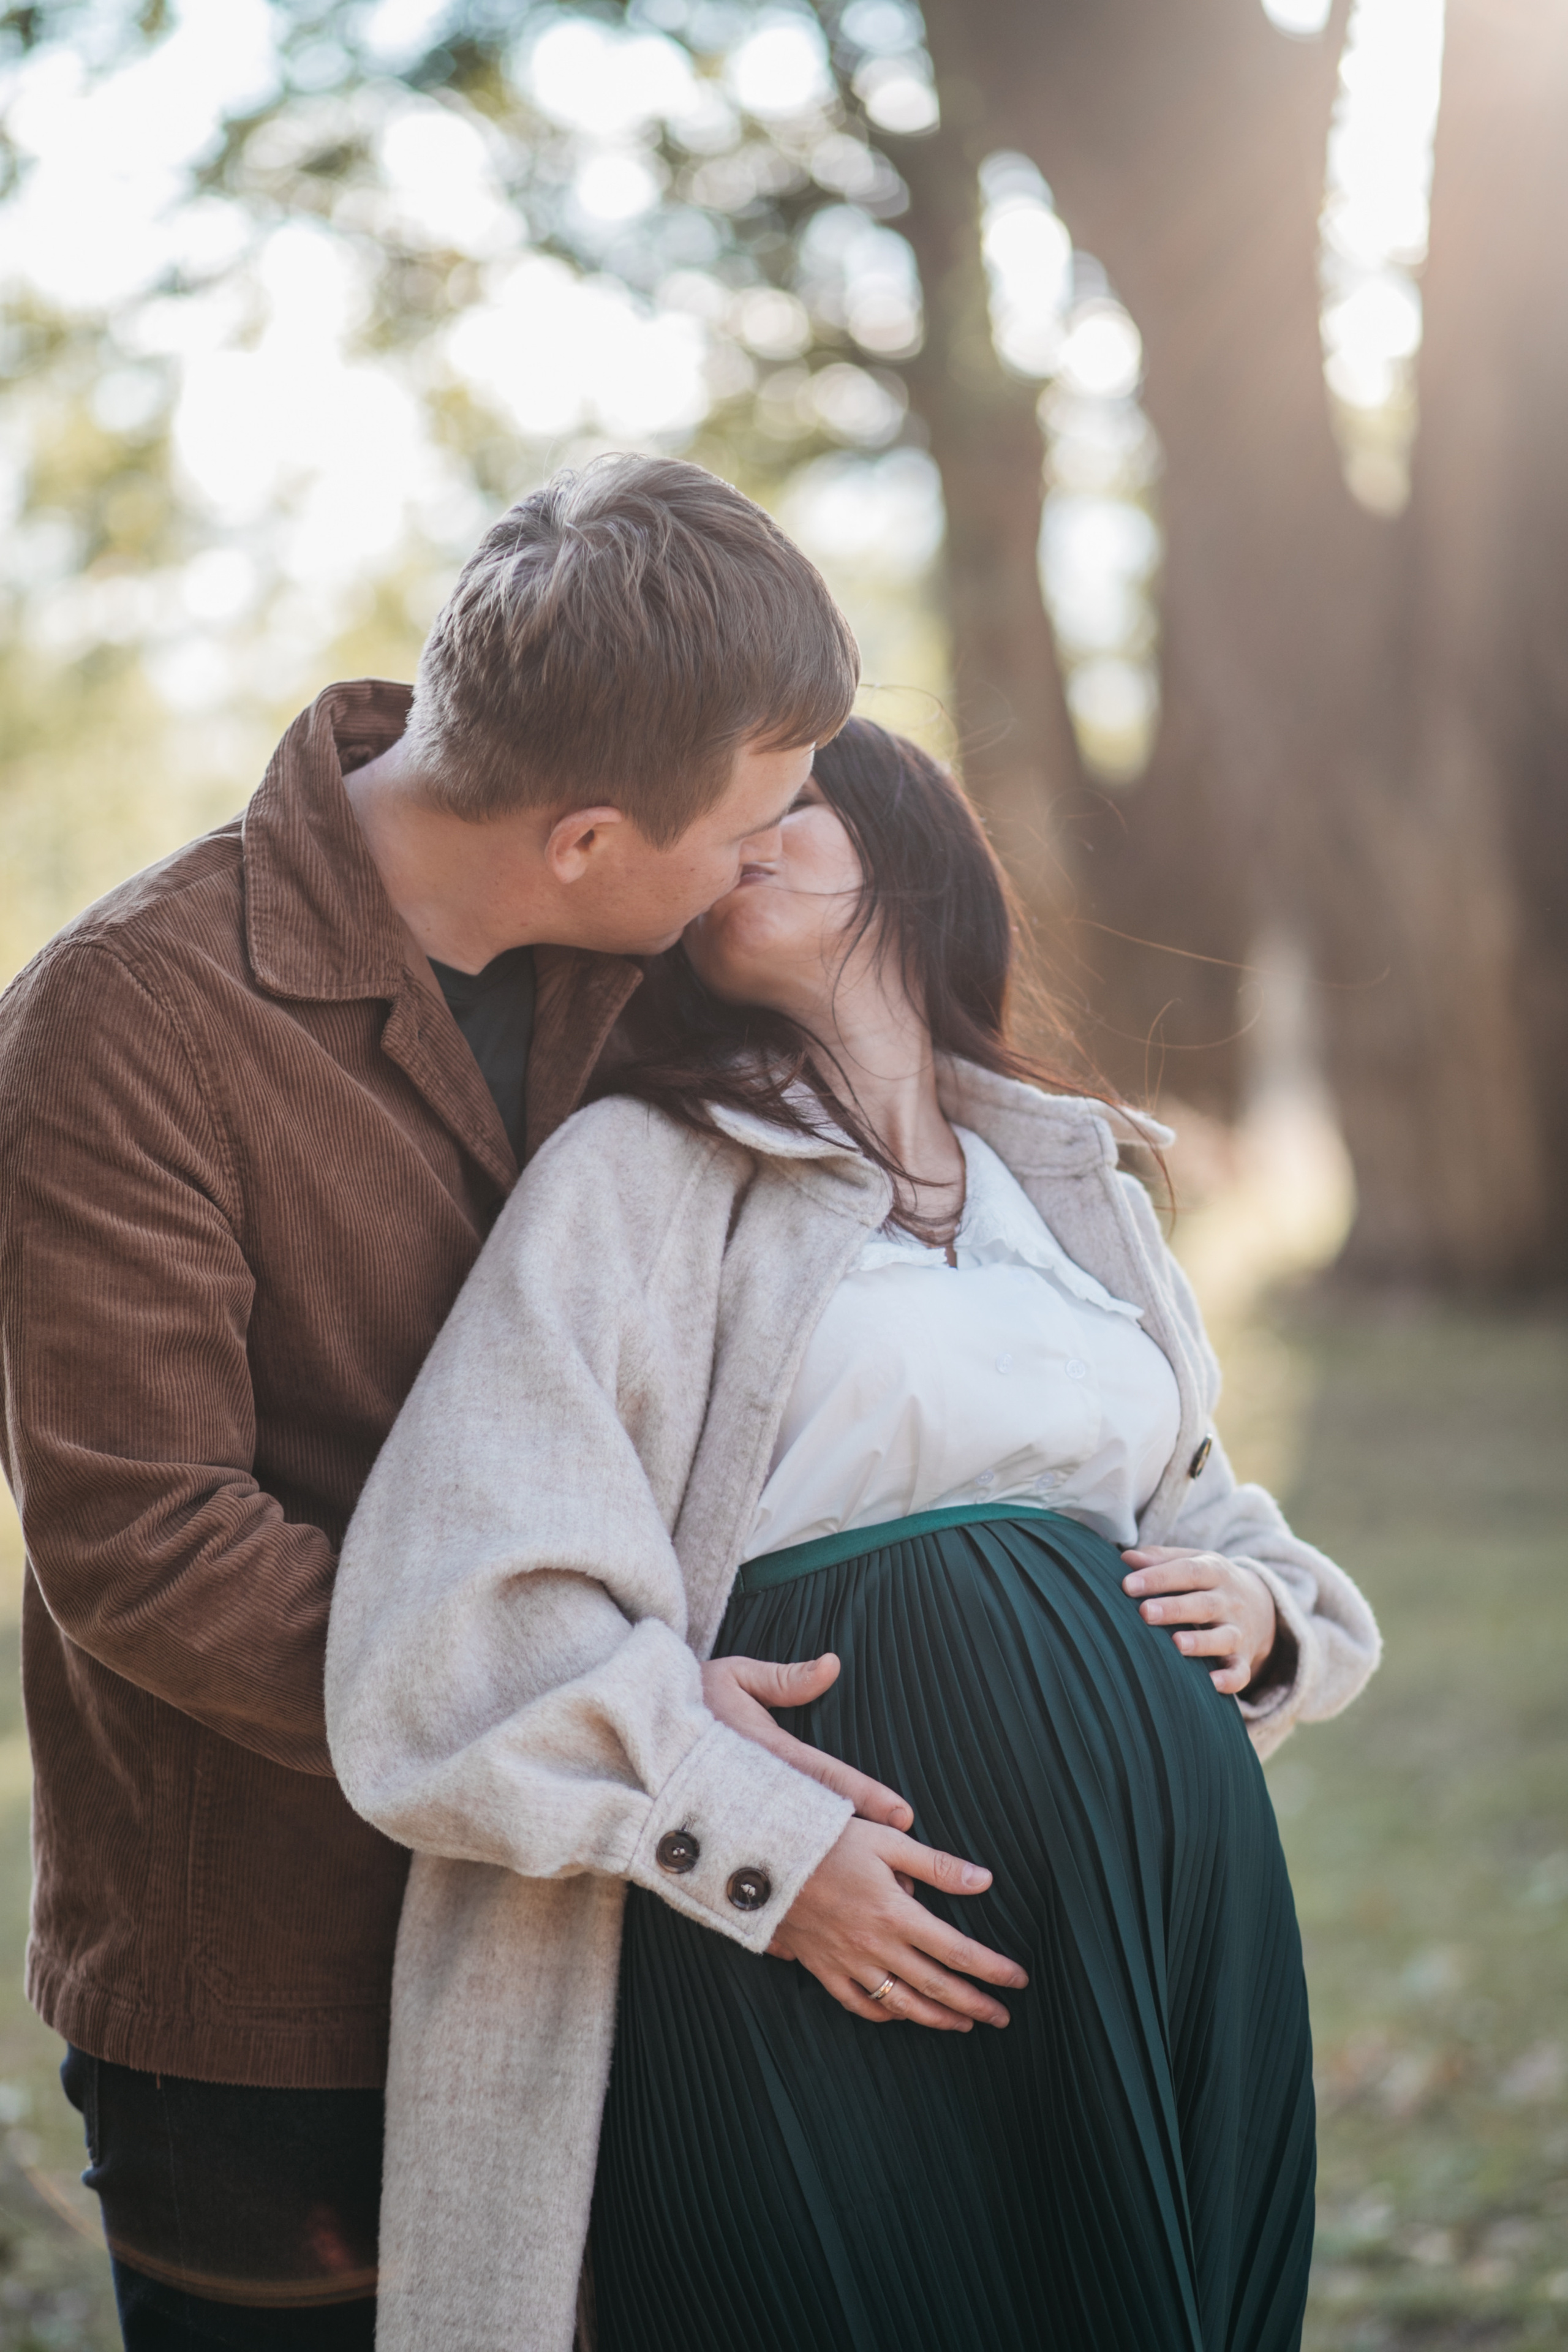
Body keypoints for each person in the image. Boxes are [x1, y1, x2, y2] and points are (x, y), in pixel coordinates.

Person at [327, 718, 1382, 2352]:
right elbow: (458, 1611)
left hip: (1166, 1909)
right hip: (809, 1930)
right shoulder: (640, 1175)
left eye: (789, 800)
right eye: (710, 815)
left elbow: (1197, 1495)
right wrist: (748, 1830)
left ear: (910, 845)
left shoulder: (1075, 1187)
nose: (738, 832)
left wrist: (1260, 1604)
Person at [0, 456, 874, 2348]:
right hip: (275, 1974)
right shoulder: (121, 1021)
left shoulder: (651, 970)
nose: (776, 854)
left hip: (607, 1928)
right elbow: (142, 1546)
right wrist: (611, 1718)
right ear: (581, 839)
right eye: (755, 817)